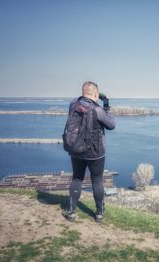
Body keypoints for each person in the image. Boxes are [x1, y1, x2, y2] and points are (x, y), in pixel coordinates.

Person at [62, 81, 115, 223]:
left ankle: (71, 212)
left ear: (83, 92)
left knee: (77, 178)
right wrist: (107, 106)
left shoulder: (73, 104)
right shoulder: (98, 110)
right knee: (97, 180)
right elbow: (111, 125)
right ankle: (99, 213)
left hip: (76, 150)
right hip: (95, 152)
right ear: (96, 94)